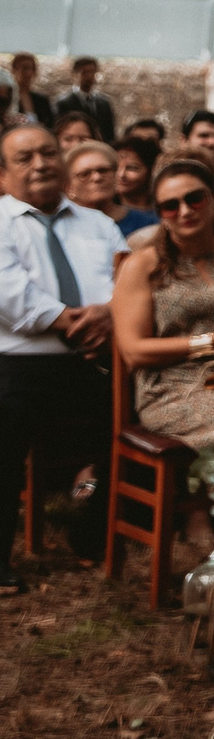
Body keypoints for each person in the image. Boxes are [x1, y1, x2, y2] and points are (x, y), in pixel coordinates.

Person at [0, 124, 124, 594]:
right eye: (24, 158)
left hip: (96, 359)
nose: (40, 164)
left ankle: (90, 532)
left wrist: (111, 315)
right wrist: (78, 322)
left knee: (132, 424)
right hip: (21, 362)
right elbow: (11, 296)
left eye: (48, 153)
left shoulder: (99, 224)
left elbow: (129, 282)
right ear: (2, 174)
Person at [110, 159, 214, 449]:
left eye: (195, 198)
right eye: (170, 205)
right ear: (160, 214)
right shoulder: (143, 265)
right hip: (173, 390)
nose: (185, 211)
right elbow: (133, 351)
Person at [54, 58, 115, 142]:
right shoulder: (64, 103)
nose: (89, 76)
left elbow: (110, 132)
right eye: (84, 72)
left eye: (92, 72)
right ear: (75, 74)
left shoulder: (104, 103)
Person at [63, 143, 121, 229]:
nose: (97, 178)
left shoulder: (144, 222)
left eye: (103, 170)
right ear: (69, 187)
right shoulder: (61, 226)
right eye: (84, 174)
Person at [112, 134, 161, 236]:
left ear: (151, 171)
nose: (121, 175)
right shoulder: (106, 215)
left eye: (132, 168)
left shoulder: (164, 211)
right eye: (115, 168)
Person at [3, 55, 53, 132]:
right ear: (13, 71)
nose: (25, 72)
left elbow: (50, 123)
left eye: (29, 68)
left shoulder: (42, 100)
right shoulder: (7, 98)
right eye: (21, 68)